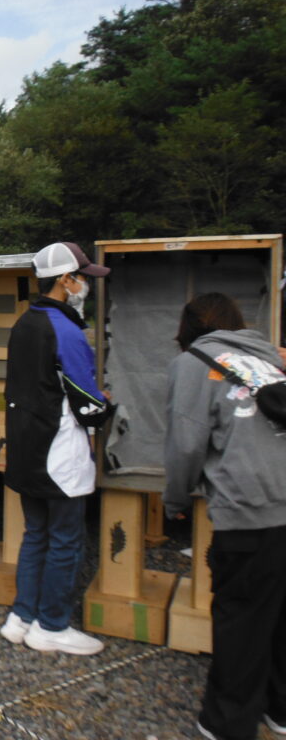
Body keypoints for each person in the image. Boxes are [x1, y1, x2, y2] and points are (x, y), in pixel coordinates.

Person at [163, 292, 286, 740]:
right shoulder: (269, 357)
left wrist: (175, 501)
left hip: (250, 508)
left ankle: (228, 722)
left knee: (242, 618)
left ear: (187, 329)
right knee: (279, 614)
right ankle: (279, 710)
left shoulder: (193, 364)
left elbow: (186, 445)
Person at [0, 242, 113, 656]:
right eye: (81, 277)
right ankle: (52, 625)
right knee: (65, 539)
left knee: (36, 534)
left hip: (25, 448)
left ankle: (21, 617)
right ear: (65, 280)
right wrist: (107, 403)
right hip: (59, 450)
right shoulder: (66, 330)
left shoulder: (24, 323)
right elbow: (89, 407)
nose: (85, 285)